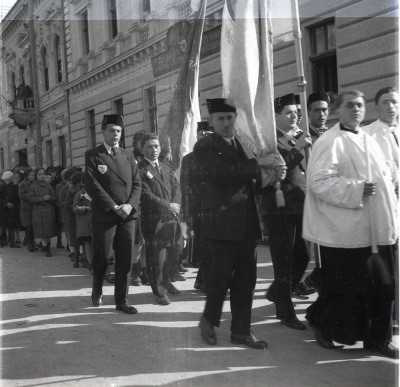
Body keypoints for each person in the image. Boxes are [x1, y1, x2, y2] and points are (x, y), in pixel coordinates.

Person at [303, 89, 398, 358]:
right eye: (350, 106)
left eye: (359, 105)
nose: (356, 110)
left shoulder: (369, 139)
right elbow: (319, 182)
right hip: (346, 230)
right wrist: (355, 189)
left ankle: (378, 340)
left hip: (378, 228)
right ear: (337, 110)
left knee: (384, 286)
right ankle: (321, 323)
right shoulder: (330, 141)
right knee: (346, 291)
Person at [193, 98, 285, 349]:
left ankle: (242, 331)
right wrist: (258, 165)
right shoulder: (205, 146)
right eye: (220, 119)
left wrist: (272, 176)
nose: (226, 123)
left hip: (246, 223)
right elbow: (222, 175)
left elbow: (251, 182)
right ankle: (208, 321)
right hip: (221, 224)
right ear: (211, 121)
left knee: (247, 280)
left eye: (229, 118)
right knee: (220, 279)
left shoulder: (243, 144)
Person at [262, 93, 312, 330]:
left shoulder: (297, 137)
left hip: (301, 207)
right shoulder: (270, 141)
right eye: (289, 113)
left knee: (304, 255)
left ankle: (277, 292)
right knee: (284, 261)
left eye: (296, 112)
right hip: (280, 209)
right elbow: (275, 173)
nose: (295, 117)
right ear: (276, 116)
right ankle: (285, 312)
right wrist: (299, 149)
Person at [85, 114, 141, 314]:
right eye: (111, 130)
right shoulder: (93, 155)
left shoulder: (128, 155)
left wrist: (129, 205)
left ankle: (122, 300)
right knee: (103, 256)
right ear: (103, 131)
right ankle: (97, 288)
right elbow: (93, 185)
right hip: (106, 215)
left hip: (127, 215)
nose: (116, 134)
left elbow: (137, 183)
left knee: (125, 258)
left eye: (119, 131)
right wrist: (113, 206)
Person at [294, 90, 332, 297]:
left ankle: (312, 281)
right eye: (316, 110)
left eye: (324, 110)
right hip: (312, 201)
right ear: (308, 113)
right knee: (317, 251)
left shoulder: (332, 134)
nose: (321, 114)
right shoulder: (301, 139)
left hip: (332, 199)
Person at [138, 133, 182, 305]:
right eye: (149, 146)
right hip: (153, 219)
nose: (154, 149)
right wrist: (167, 205)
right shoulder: (139, 169)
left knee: (172, 252)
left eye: (156, 146)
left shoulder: (165, 166)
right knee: (156, 256)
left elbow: (176, 188)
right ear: (142, 149)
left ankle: (166, 281)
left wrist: (175, 205)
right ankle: (158, 291)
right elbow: (145, 194)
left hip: (171, 216)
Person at [180, 121, 213, 291]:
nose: (205, 137)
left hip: (216, 209)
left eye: (208, 134)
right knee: (202, 245)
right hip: (198, 209)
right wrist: (186, 215)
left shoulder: (218, 156)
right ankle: (204, 280)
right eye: (202, 134)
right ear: (197, 135)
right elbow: (185, 188)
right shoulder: (189, 159)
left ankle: (202, 280)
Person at [362, 87, 398, 188]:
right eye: (385, 102)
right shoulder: (366, 133)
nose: (391, 106)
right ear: (377, 106)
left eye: (394, 102)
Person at [28, 167, 57, 257]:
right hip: (38, 210)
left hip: (48, 209)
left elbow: (55, 197)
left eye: (43, 174)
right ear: (36, 176)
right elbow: (31, 198)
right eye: (39, 174)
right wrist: (42, 199)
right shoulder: (33, 186)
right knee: (42, 229)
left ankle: (46, 244)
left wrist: (50, 198)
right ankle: (45, 247)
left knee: (48, 228)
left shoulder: (49, 185)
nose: (42, 176)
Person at [73, 174, 93, 274]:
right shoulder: (79, 194)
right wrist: (85, 208)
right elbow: (75, 208)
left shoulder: (97, 193)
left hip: (96, 223)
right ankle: (91, 264)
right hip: (85, 224)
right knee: (88, 243)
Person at [19, 168, 36, 252]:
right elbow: (21, 195)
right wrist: (30, 196)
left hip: (33, 206)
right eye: (31, 175)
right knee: (28, 226)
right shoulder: (22, 184)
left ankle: (32, 241)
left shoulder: (35, 183)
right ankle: (30, 243)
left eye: (33, 175)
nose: (33, 177)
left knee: (33, 226)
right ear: (27, 176)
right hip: (26, 208)